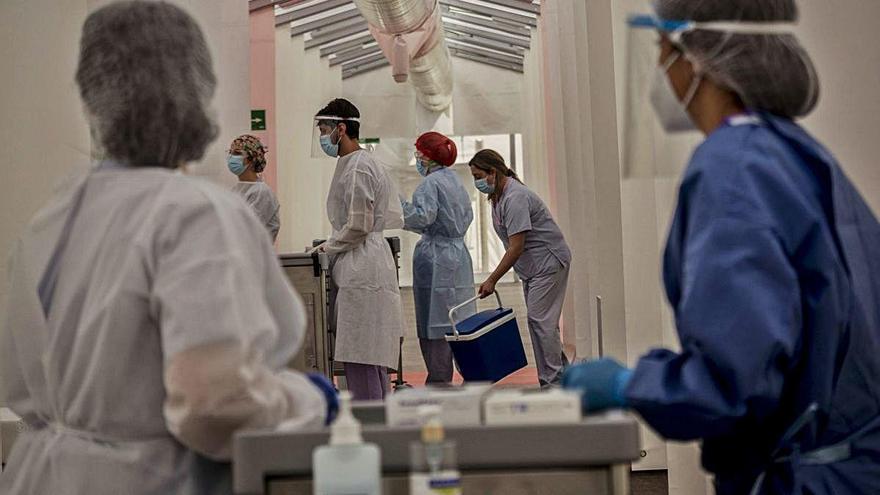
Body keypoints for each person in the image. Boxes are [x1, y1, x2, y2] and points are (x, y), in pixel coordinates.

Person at [0, 3, 337, 494]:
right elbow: (214, 405)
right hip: (154, 480)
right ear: (194, 98)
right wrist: (304, 401)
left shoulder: (52, 221)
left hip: (43, 478)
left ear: (94, 98)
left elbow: (14, 382)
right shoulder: (194, 214)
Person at [563, 1, 880, 494]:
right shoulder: (794, 151)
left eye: (664, 50)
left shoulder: (732, 170)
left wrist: (630, 386)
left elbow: (733, 382)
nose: (661, 70)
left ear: (699, 58)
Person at [313, 98, 404, 401]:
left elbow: (358, 225)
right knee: (369, 357)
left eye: (325, 130)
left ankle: (370, 424)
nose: (323, 137)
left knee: (361, 355)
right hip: (364, 262)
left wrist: (329, 246)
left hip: (361, 266)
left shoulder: (358, 168)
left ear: (341, 128)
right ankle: (378, 420)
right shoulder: (358, 163)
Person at [469, 150, 572, 388]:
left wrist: (492, 279)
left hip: (548, 263)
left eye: (478, 176)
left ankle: (552, 383)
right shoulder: (498, 196)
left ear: (492, 172)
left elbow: (516, 247)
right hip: (534, 268)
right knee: (542, 323)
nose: (476, 182)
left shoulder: (515, 197)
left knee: (540, 321)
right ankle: (563, 376)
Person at [401, 132, 475, 384]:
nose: (418, 159)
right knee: (460, 320)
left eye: (420, 154)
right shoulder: (456, 181)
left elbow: (423, 218)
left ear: (429, 157)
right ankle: (473, 378)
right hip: (459, 255)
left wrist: (399, 206)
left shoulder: (429, 184)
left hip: (436, 257)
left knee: (436, 323)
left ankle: (440, 381)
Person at [227, 134, 281, 242]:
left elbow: (244, 230)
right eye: (230, 152)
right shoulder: (236, 190)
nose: (231, 157)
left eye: (237, 153)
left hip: (254, 255)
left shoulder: (262, 192)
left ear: (251, 159)